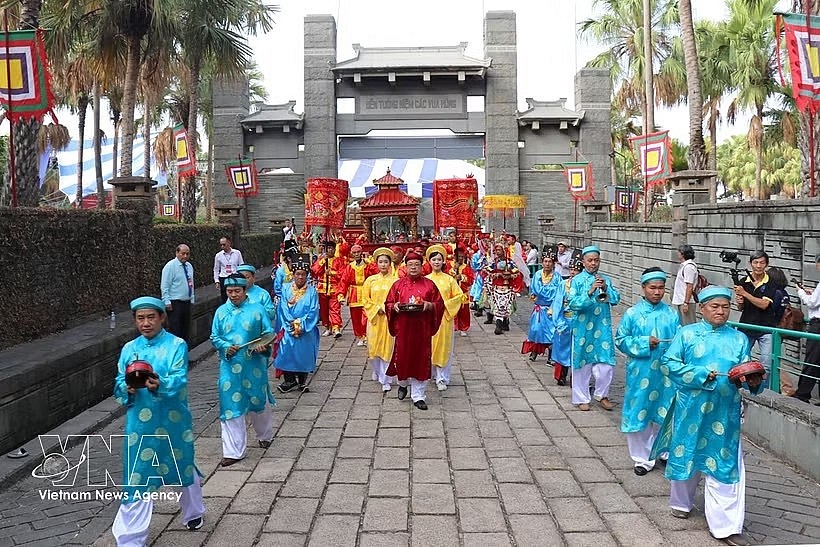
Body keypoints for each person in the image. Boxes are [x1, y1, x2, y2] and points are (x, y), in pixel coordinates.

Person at [652, 286, 762, 546]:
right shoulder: (686, 334)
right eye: (715, 306)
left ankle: (725, 526)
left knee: (724, 464)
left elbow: (746, 372)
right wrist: (700, 374)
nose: (721, 311)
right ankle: (681, 501)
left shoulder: (739, 339)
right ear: (702, 308)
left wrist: (752, 380)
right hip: (690, 407)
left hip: (725, 413)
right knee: (687, 453)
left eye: (725, 306)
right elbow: (669, 363)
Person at [111, 297, 205, 543]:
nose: (145, 323)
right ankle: (130, 537)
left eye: (151, 317)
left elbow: (179, 378)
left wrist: (159, 384)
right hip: (140, 425)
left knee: (181, 462)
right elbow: (120, 380)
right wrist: (127, 389)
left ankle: (194, 511)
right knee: (138, 474)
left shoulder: (177, 345)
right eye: (140, 318)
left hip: (173, 419)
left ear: (162, 317)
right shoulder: (129, 349)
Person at [615, 267, 679, 476]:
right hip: (641, 372)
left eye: (661, 288)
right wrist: (644, 343)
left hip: (667, 373)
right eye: (653, 288)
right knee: (640, 411)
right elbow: (621, 340)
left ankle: (664, 451)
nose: (657, 292)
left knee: (667, 410)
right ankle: (642, 458)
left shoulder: (671, 314)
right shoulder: (632, 314)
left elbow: (681, 341)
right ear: (643, 287)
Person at [210, 274, 275, 467]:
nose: (233, 295)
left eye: (237, 291)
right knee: (231, 405)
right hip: (230, 366)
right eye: (229, 292)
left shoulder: (257, 310)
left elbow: (268, 334)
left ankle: (264, 434)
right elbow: (214, 336)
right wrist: (224, 347)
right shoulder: (221, 312)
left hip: (253, 364)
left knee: (258, 400)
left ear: (244, 290)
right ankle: (233, 451)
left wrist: (264, 347)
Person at [384, 251, 445, 410]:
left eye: (416, 265)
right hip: (403, 328)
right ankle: (402, 383)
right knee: (403, 357)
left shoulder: (429, 284)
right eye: (410, 265)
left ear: (421, 266)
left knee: (421, 360)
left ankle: (418, 396)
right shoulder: (398, 284)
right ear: (406, 266)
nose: (413, 268)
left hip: (422, 328)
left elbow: (439, 303)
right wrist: (394, 306)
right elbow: (389, 302)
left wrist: (430, 305)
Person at [568, 245, 621, 411]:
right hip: (582, 328)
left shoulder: (606, 279)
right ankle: (581, 398)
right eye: (590, 260)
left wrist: (605, 288)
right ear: (583, 262)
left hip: (602, 326)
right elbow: (572, 304)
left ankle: (601, 394)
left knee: (606, 363)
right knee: (582, 364)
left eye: (596, 260)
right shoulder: (576, 281)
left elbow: (615, 299)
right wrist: (590, 292)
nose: (593, 263)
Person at [274, 255, 320, 393]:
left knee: (304, 353)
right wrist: (291, 324)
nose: (300, 277)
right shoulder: (285, 288)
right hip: (289, 328)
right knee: (286, 352)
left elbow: (313, 311)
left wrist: (301, 324)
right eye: (297, 274)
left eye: (303, 274)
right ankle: (289, 380)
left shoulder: (312, 291)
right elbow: (283, 308)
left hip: (306, 328)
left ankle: (302, 381)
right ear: (293, 274)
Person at [426, 245, 466, 391]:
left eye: (439, 259)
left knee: (444, 347)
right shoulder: (425, 280)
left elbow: (459, 296)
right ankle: (429, 373)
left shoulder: (449, 280)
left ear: (443, 262)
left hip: (444, 318)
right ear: (429, 261)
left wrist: (443, 306)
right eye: (434, 259)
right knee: (428, 346)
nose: (436, 262)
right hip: (428, 319)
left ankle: (442, 377)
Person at [734, 251, 777, 388]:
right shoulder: (743, 281)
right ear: (750, 264)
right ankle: (741, 387)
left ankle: (763, 392)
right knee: (741, 360)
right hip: (746, 326)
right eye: (755, 262)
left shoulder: (771, 282)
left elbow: (764, 304)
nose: (758, 266)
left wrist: (744, 293)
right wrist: (739, 300)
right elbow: (740, 307)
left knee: (766, 365)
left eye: (762, 262)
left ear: (766, 264)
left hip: (766, 327)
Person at [362, 248, 399, 392]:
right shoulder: (370, 281)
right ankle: (377, 371)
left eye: (386, 262)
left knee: (388, 348)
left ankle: (386, 379)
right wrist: (378, 308)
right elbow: (365, 299)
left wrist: (389, 308)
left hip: (390, 320)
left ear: (390, 263)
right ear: (376, 263)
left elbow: (398, 300)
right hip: (375, 319)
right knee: (373, 348)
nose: (383, 265)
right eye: (381, 262)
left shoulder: (396, 281)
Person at [522, 248, 565, 362]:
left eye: (550, 261)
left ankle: (551, 356)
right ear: (542, 262)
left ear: (553, 263)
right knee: (536, 330)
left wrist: (545, 294)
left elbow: (558, 294)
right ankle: (534, 351)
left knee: (552, 332)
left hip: (552, 309)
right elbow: (535, 290)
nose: (547, 264)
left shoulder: (557, 277)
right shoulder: (537, 275)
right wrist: (547, 292)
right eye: (545, 261)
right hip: (540, 309)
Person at [552, 251, 583, 386]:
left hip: (580, 323)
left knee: (578, 351)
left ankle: (575, 378)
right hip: (566, 321)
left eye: (576, 270)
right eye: (571, 269)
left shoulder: (584, 286)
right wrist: (559, 322)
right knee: (563, 350)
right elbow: (557, 304)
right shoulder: (563, 284)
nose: (573, 272)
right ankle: (562, 375)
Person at [482, 242, 524, 335]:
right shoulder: (494, 262)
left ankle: (505, 322)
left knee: (506, 307)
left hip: (508, 287)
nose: (497, 252)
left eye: (499, 250)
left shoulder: (509, 262)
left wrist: (510, 275)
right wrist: (496, 274)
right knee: (498, 307)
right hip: (497, 287)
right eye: (496, 250)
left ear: (503, 251)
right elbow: (486, 269)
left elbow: (516, 272)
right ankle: (498, 326)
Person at [795, 254, 820, 404]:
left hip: (818, 325)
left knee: (812, 359)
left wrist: (801, 292)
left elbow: (811, 303)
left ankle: (803, 394)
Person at [337, 244, 370, 346]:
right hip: (354, 293)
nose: (356, 254)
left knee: (367, 316)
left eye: (358, 252)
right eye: (354, 253)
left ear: (361, 252)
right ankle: (359, 336)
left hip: (366, 292)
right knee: (356, 317)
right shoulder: (350, 267)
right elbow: (344, 281)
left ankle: (367, 335)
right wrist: (341, 294)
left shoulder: (368, 265)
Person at [160, 244, 195, 343]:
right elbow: (165, 285)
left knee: (186, 329)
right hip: (175, 302)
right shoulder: (170, 266)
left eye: (187, 254)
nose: (185, 256)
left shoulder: (189, 266)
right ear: (177, 253)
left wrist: (192, 298)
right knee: (175, 329)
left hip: (186, 301)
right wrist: (166, 301)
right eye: (183, 253)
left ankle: (184, 352)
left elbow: (191, 282)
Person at [311, 240, 344, 338]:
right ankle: (327, 327)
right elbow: (315, 271)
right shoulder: (321, 259)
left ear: (334, 249)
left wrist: (332, 273)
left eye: (331, 248)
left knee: (335, 308)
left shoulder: (339, 260)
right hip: (322, 288)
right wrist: (322, 262)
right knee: (324, 310)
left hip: (334, 288)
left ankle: (336, 327)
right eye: (328, 248)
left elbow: (343, 274)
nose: (330, 250)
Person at [672, 244, 699, 325]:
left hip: (686, 301)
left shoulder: (688, 267)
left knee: (688, 325)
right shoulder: (684, 266)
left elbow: (689, 286)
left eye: (679, 252)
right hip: (681, 300)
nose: (678, 254)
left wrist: (686, 303)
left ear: (683, 254)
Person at [213, 236, 243, 303]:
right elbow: (216, 269)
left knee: (236, 296)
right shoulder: (218, 255)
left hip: (235, 277)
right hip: (224, 278)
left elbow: (241, 265)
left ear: (229, 243)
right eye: (221, 245)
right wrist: (217, 281)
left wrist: (242, 277)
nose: (222, 246)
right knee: (224, 297)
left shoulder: (237, 253)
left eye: (224, 244)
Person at [453, 246, 475, 337]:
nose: (461, 258)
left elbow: (471, 280)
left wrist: (462, 277)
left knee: (464, 312)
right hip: (452, 293)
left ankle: (463, 328)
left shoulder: (466, 268)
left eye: (462, 257)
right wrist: (454, 271)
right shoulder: (449, 266)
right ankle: (453, 326)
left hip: (463, 292)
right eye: (459, 257)